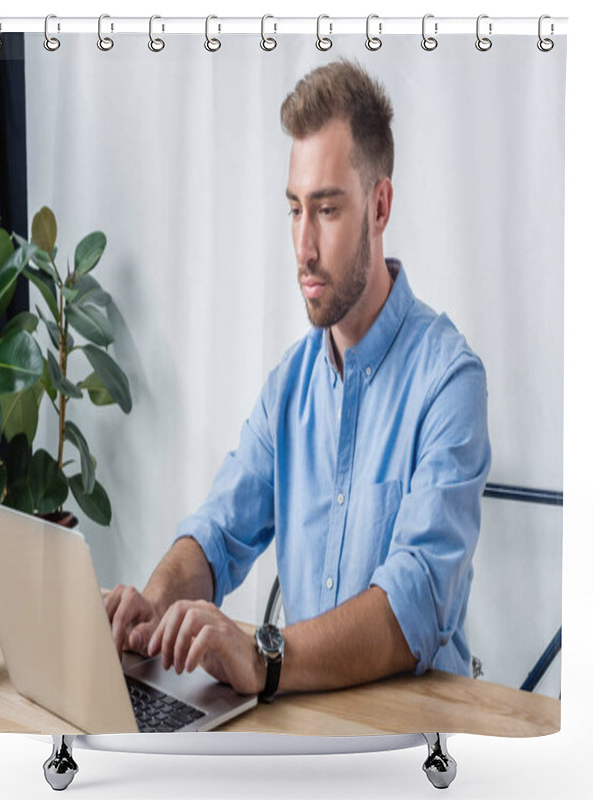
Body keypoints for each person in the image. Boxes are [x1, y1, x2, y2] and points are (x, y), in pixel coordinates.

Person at [105, 60, 490, 701]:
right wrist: (152, 607)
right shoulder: (290, 385)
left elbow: (416, 598)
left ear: (380, 205)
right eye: (293, 211)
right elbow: (218, 532)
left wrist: (266, 656)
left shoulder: (450, 381)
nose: (303, 247)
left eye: (328, 210)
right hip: (304, 730)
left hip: (410, 749)